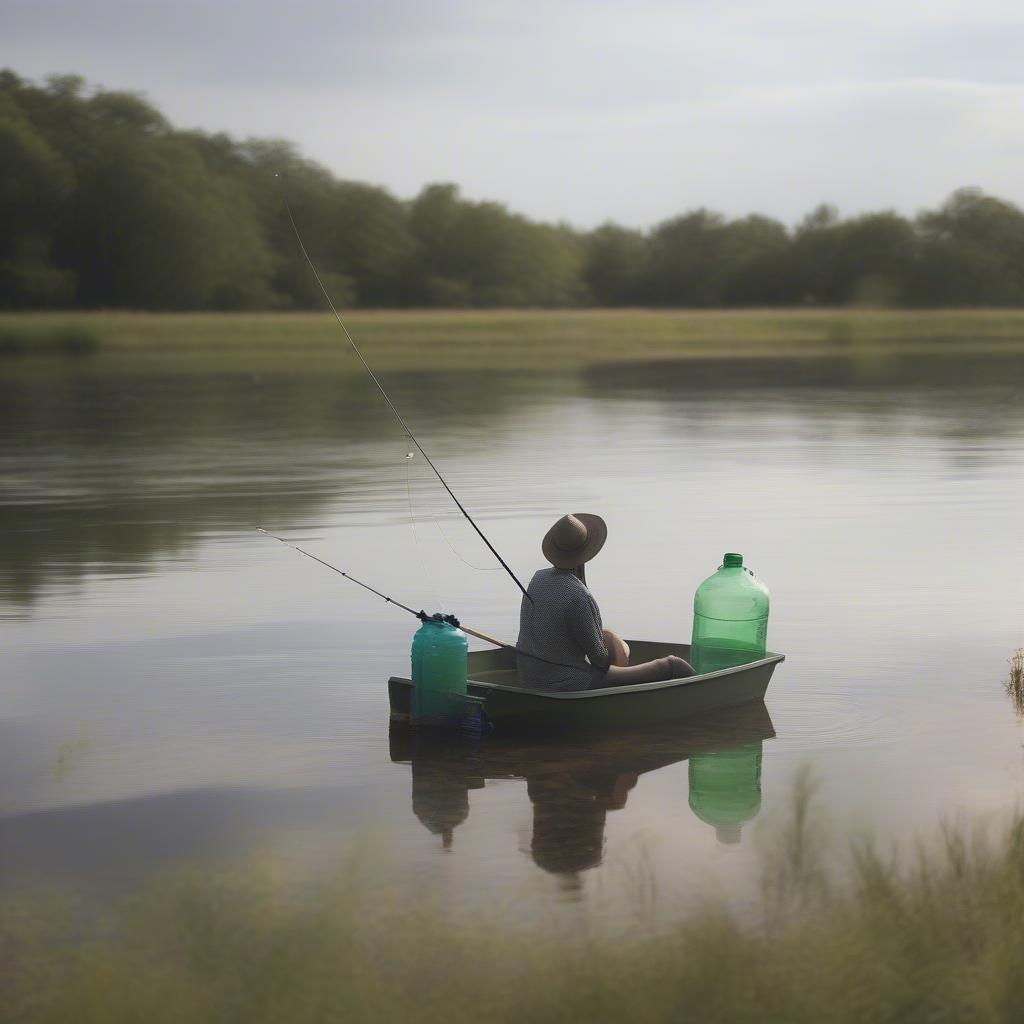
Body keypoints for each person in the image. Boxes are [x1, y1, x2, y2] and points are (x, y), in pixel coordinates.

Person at [516, 513, 694, 692]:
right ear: (586, 550)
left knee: (608, 638)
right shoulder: (578, 595)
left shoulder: (538, 578)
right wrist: (619, 649)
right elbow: (600, 661)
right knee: (673, 665)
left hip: (530, 678)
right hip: (569, 684)